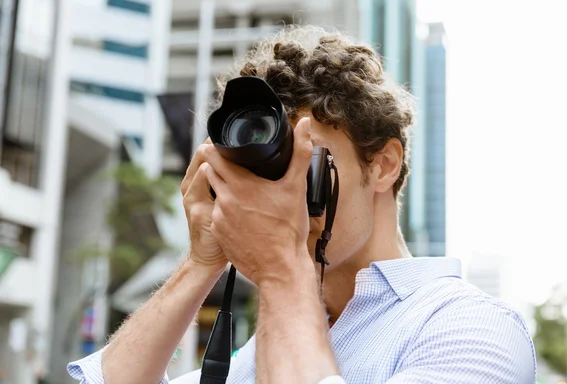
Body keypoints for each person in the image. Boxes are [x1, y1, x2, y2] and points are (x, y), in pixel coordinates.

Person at [67, 25, 536, 384]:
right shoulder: (263, 342)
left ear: (384, 164)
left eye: (306, 164)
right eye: (270, 171)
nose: (281, 194)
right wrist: (201, 261)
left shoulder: (469, 327)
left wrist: (279, 267)